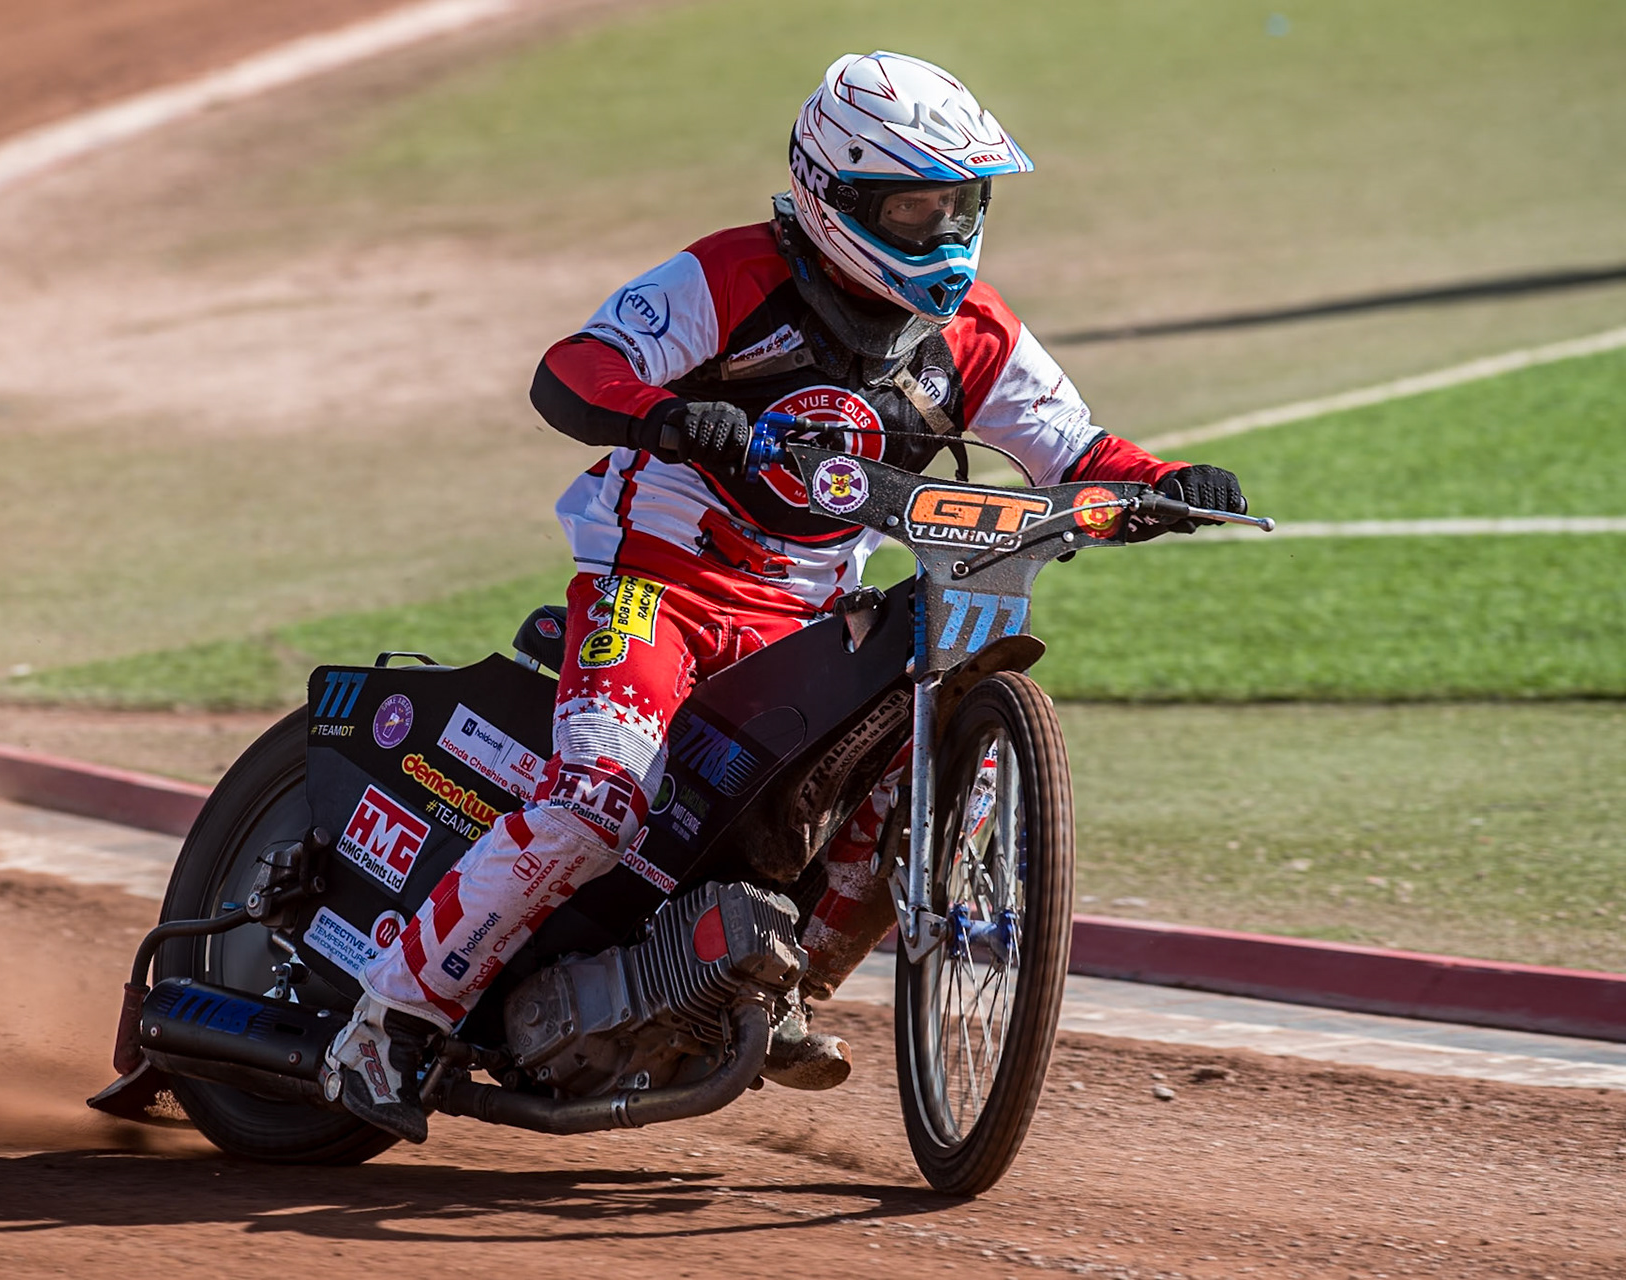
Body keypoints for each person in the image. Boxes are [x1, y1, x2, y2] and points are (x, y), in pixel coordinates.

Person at [324, 50, 1247, 1143]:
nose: (944, 233)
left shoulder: (974, 332)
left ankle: (777, 982)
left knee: (902, 772)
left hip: (809, 613)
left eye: (962, 204)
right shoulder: (728, 278)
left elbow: (1077, 449)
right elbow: (573, 369)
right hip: (652, 584)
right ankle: (386, 1021)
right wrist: (666, 417)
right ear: (835, 197)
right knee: (599, 800)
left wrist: (1162, 485)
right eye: (913, 206)